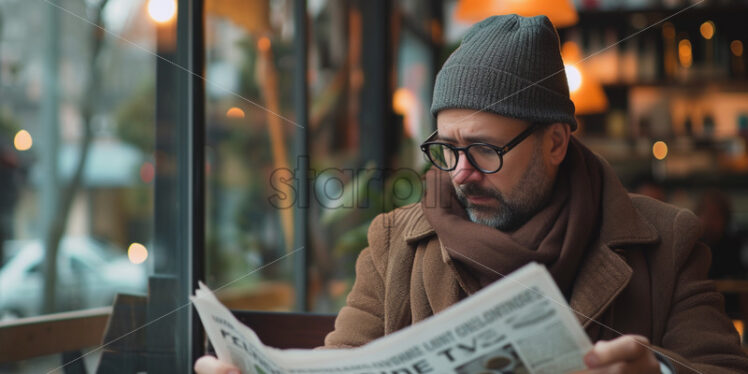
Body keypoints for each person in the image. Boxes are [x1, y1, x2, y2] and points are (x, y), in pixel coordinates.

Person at [196, 15, 748, 373]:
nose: (460, 174)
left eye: (484, 150)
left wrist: (659, 372)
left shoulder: (667, 240)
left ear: (555, 142)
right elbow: (345, 362)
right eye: (446, 148)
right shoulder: (394, 242)